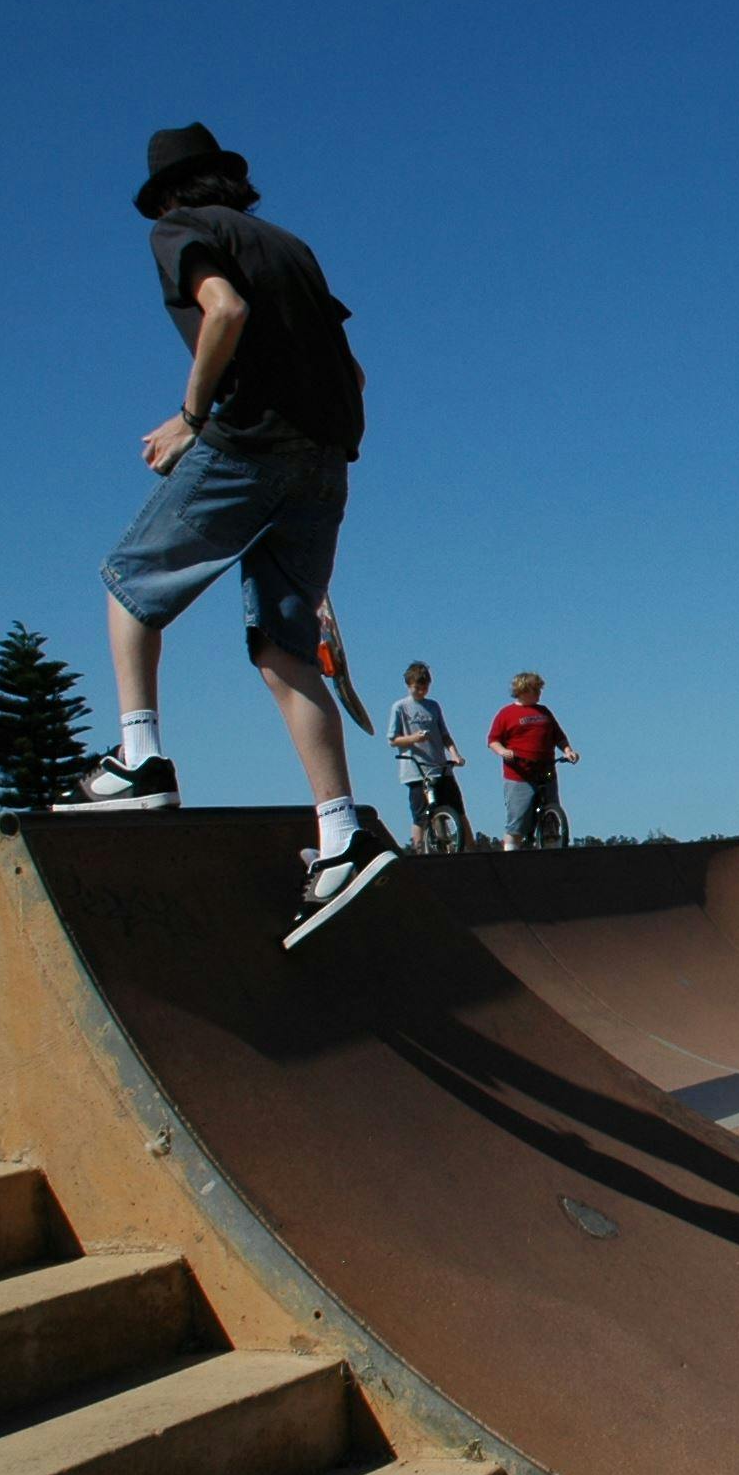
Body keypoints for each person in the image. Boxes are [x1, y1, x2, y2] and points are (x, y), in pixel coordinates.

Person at [62, 123, 392, 950]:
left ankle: (141, 761)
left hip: (252, 442)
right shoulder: (294, 247)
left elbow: (225, 309)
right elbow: (354, 373)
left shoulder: (181, 231)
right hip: (327, 456)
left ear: (171, 195)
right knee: (283, 649)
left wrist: (192, 417)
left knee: (130, 582)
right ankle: (343, 835)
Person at [488, 672, 578, 848]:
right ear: (522, 691)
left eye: (539, 690)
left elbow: (558, 736)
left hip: (546, 770)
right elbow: (493, 740)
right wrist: (503, 751)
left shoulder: (544, 712)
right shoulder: (507, 714)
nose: (538, 694)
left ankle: (553, 851)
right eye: (534, 690)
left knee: (552, 817)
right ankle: (511, 853)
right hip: (519, 774)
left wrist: (568, 751)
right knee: (518, 820)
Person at [389, 661, 468, 850]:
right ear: (409, 685)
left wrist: (455, 754)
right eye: (417, 687)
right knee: (420, 814)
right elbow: (393, 739)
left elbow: (444, 735)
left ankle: (465, 847)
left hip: (440, 767)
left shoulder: (433, 706)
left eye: (425, 687)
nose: (421, 691)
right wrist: (414, 738)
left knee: (456, 808)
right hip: (416, 770)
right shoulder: (400, 707)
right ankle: (418, 849)